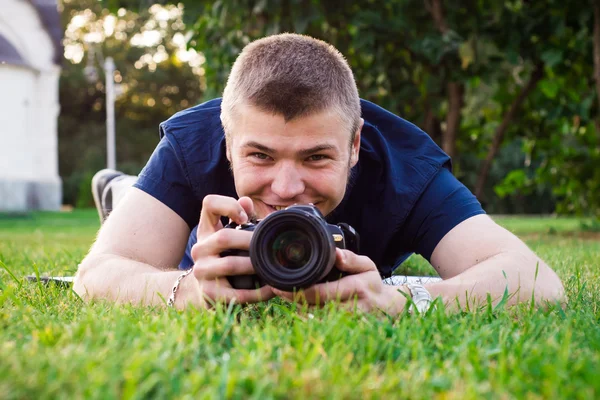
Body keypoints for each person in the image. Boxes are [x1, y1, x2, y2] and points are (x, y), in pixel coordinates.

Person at [73, 33, 565, 314]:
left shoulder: (407, 169)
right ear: (225, 143)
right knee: (164, 243)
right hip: (188, 236)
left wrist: (402, 300)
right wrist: (188, 291)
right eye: (260, 156)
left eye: (316, 158)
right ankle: (125, 192)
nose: (286, 191)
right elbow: (97, 273)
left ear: (355, 146)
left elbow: (537, 281)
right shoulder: (193, 142)